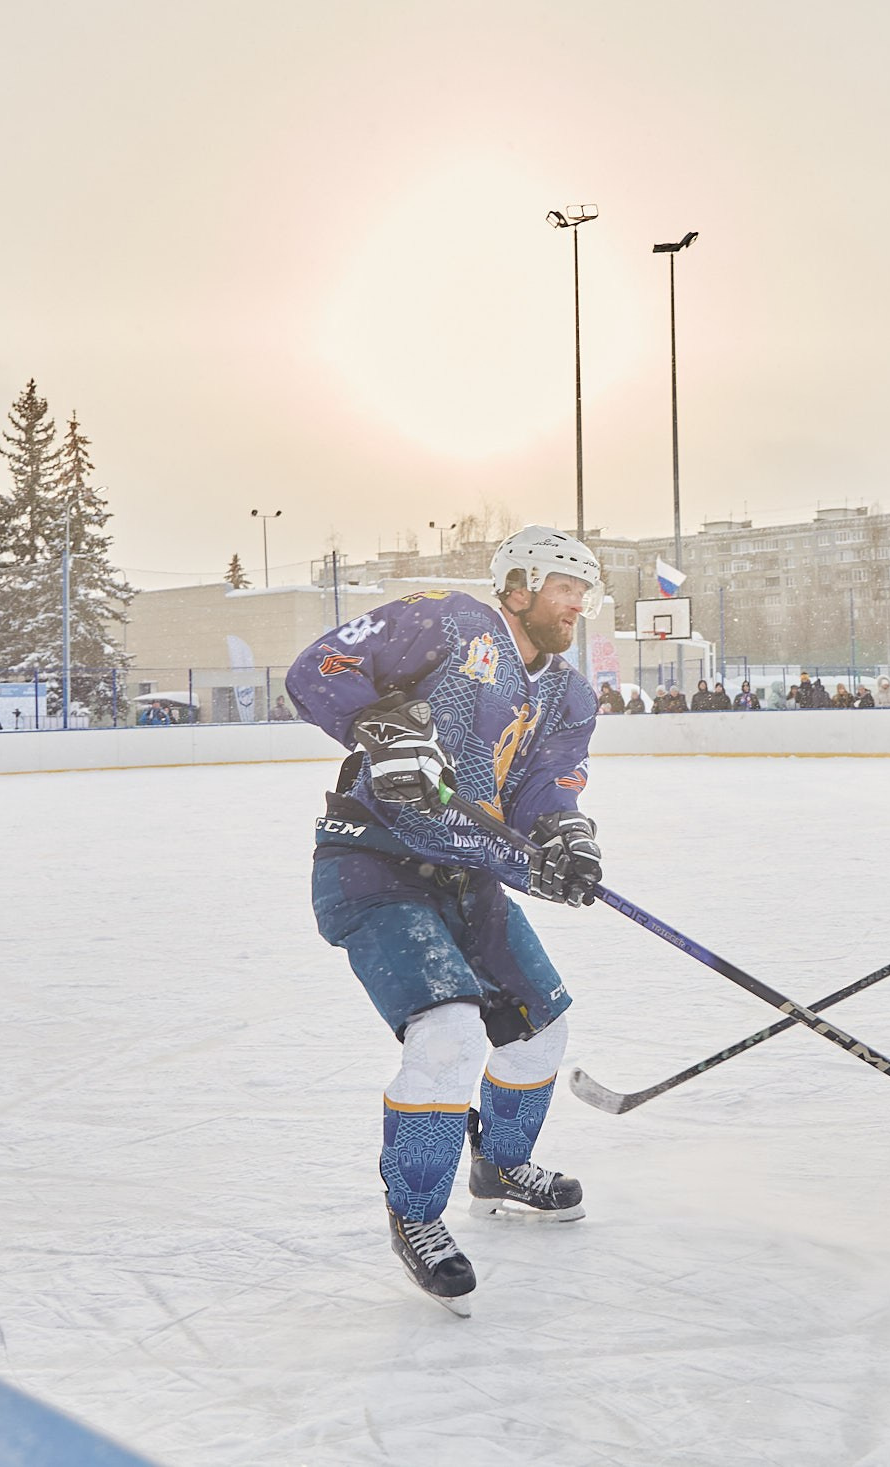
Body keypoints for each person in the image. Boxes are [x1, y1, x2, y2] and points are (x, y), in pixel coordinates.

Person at [286, 524, 606, 1316]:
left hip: (469, 877)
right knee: (451, 1034)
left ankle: (500, 1164)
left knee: (541, 1030)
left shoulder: (569, 693)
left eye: (583, 591)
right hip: (374, 863)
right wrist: (379, 725)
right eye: (566, 585)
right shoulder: (449, 620)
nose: (579, 603)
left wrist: (564, 837)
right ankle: (418, 1212)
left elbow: (544, 795)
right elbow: (317, 669)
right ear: (521, 585)